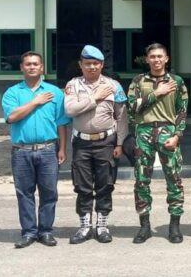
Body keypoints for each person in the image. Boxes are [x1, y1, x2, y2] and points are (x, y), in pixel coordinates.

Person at [1, 51, 70, 248]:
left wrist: (62, 149)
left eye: (35, 64)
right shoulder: (13, 93)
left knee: (49, 192)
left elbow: (62, 123)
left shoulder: (55, 92)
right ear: (22, 68)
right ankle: (29, 232)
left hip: (48, 149)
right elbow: (12, 117)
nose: (32, 67)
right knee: (24, 193)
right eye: (28, 64)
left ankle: (46, 231)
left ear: (42, 68)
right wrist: (35, 101)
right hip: (21, 151)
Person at [64, 45, 128, 244]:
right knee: (82, 186)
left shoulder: (113, 85)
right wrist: (95, 98)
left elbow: (122, 117)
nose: (92, 67)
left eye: (95, 63)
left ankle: (102, 225)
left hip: (106, 142)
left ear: (102, 65)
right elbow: (70, 110)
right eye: (87, 63)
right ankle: (84, 225)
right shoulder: (73, 85)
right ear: (80, 65)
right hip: (81, 142)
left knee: (105, 184)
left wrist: (120, 143)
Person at [128, 43, 189, 244]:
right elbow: (131, 108)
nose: (156, 60)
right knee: (142, 181)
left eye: (159, 56)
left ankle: (174, 226)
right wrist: (157, 93)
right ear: (147, 59)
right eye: (152, 56)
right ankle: (144, 226)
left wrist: (178, 135)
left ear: (166, 58)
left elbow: (182, 111)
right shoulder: (138, 81)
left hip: (168, 132)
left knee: (174, 179)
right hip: (144, 132)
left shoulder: (177, 81)